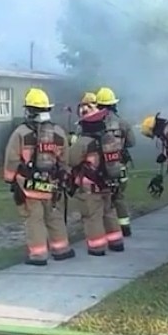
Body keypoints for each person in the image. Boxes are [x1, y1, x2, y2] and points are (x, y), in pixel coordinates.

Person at [3, 88, 75, 265]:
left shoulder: (20, 133)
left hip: (29, 187)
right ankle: (61, 250)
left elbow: (12, 159)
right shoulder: (58, 132)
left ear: (28, 110)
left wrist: (10, 179)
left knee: (34, 219)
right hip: (52, 185)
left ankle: (38, 255)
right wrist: (62, 178)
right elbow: (65, 160)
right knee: (54, 217)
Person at [68, 106, 126, 255]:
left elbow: (71, 160)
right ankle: (116, 242)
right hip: (108, 184)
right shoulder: (110, 139)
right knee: (109, 212)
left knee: (92, 216)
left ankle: (97, 247)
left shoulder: (84, 142)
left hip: (90, 189)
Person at [94, 86, 136, 236]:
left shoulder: (93, 122)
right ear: (114, 104)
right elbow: (131, 142)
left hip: (100, 167)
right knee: (119, 196)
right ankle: (124, 228)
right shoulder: (122, 122)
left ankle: (105, 229)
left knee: (102, 197)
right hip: (119, 165)